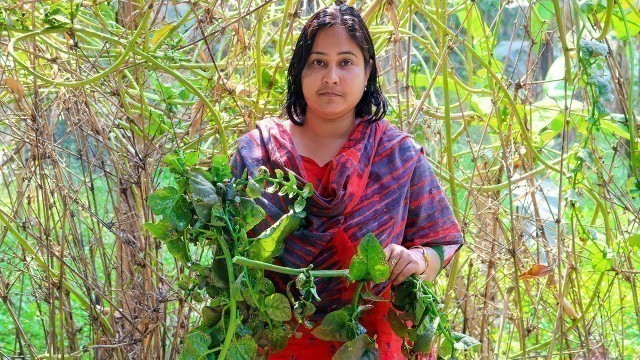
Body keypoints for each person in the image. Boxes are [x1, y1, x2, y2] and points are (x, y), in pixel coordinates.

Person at [230, 2, 463, 359]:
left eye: (346, 62)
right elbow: (229, 258)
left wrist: (416, 261)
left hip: (372, 343)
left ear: (368, 71)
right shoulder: (255, 154)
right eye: (318, 62)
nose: (331, 77)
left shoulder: (397, 157)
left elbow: (442, 242)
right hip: (274, 344)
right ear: (300, 70)